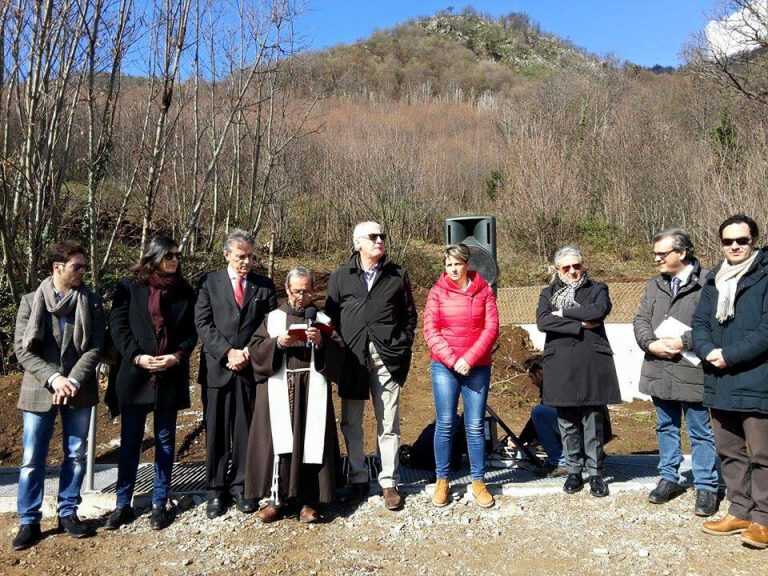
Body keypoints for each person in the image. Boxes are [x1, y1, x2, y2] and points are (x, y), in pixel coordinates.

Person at [12, 241, 105, 550]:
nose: (82, 271)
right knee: (31, 459)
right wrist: (54, 378)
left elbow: (95, 345)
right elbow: (22, 350)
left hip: (78, 389)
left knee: (76, 454)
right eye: (76, 266)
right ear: (57, 268)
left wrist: (72, 380)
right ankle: (29, 519)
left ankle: (68, 512)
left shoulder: (90, 301)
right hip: (40, 388)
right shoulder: (30, 301)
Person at [105, 236, 197, 531]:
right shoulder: (129, 287)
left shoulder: (184, 291)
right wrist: (136, 358)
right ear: (154, 256)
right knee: (131, 441)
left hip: (168, 374)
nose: (174, 260)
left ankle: (160, 501)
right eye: (169, 255)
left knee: (166, 440)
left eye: (177, 256)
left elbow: (191, 332)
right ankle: (123, 504)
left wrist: (177, 356)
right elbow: (119, 328)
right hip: (136, 375)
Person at [325, 221, 418, 511]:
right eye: (373, 236)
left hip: (387, 358)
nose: (379, 240)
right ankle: (357, 477)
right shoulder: (340, 277)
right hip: (352, 360)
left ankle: (388, 481)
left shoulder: (397, 275)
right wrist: (340, 351)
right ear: (357, 244)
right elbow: (330, 319)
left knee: (388, 422)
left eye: (382, 236)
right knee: (351, 421)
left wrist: (401, 345)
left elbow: (410, 316)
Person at [244, 267, 344, 523]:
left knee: (310, 443)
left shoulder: (321, 319)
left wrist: (322, 343)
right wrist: (277, 343)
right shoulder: (273, 318)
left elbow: (340, 352)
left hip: (312, 389)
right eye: (297, 291)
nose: (302, 296)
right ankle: (277, 499)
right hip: (281, 388)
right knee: (280, 442)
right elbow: (255, 350)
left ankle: (309, 502)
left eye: (308, 290)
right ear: (287, 290)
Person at [693, 214, 768, 548]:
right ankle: (739, 509)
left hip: (756, 378)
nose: (735, 246)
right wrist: (709, 351)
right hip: (719, 380)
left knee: (763, 454)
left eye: (742, 240)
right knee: (729, 451)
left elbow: (766, 331)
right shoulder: (714, 280)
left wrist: (729, 355)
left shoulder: (764, 276)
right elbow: (699, 324)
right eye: (728, 241)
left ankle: (764, 518)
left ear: (753, 241)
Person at [633, 228, 719, 516]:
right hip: (659, 367)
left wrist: (685, 341)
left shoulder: (709, 283)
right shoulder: (654, 285)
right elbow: (641, 319)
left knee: (700, 430)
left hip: (692, 369)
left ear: (682, 253)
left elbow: (719, 326)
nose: (656, 259)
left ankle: (706, 484)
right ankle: (669, 477)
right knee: (665, 425)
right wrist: (651, 343)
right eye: (655, 254)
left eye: (662, 254)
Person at [195, 230, 277, 518]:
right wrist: (227, 352)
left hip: (248, 368)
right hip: (218, 367)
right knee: (216, 430)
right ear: (227, 255)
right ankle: (215, 490)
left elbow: (269, 326)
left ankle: (242, 485)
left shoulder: (263, 286)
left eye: (250, 257)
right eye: (241, 257)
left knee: (245, 429)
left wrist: (247, 353)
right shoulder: (209, 282)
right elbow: (203, 323)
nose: (247, 262)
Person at [536, 245, 621, 497]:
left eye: (577, 266)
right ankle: (574, 471)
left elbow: (598, 311)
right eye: (567, 267)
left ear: (583, 266)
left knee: (592, 419)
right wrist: (580, 324)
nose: (573, 271)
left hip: (591, 360)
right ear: (557, 270)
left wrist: (562, 313)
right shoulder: (547, 292)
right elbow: (543, 321)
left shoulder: (597, 289)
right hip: (560, 363)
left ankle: (595, 472)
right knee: (567, 420)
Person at [423, 243, 499, 508]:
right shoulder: (436, 293)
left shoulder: (484, 291)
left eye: (457, 264)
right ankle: (442, 481)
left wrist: (470, 359)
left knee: (475, 425)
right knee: (445, 423)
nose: (453, 269)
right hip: (445, 367)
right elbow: (431, 331)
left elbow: (491, 329)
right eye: (448, 265)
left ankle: (478, 481)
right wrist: (454, 360)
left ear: (467, 264)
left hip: (476, 367)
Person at [517, 357, 567, 477]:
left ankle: (560, 462)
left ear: (540, 372)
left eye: (531, 377)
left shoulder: (553, 387)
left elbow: (541, 417)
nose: (532, 382)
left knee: (539, 412)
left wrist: (520, 441)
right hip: (592, 432)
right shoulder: (561, 379)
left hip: (579, 429)